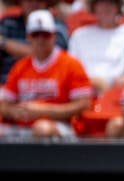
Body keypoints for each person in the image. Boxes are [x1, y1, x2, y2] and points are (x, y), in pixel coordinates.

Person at [0, 9, 92, 139]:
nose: (40, 39)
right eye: (36, 34)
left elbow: (83, 104)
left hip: (61, 126)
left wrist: (43, 110)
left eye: (45, 34)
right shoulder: (21, 66)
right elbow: (4, 104)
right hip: (23, 126)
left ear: (54, 36)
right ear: (28, 37)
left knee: (42, 128)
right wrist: (15, 112)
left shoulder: (71, 64)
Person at [68, 0, 124, 94]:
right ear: (94, 7)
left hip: (120, 94)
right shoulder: (79, 35)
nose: (105, 7)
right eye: (100, 3)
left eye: (110, 3)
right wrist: (94, 83)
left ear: (118, 7)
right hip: (86, 93)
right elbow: (72, 71)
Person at [0, 0, 70, 84]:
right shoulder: (8, 23)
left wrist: (4, 43)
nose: (34, 3)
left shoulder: (56, 25)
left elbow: (49, 55)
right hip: (6, 84)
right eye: (29, 0)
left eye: (39, 0)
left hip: (48, 84)